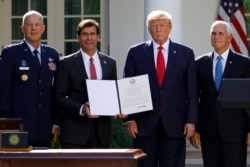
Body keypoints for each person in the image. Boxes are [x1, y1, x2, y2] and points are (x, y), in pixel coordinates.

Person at [122, 10, 198, 167]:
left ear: (170, 28)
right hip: (143, 124)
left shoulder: (185, 53)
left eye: (162, 25)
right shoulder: (135, 52)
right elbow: (127, 86)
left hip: (175, 123)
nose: (158, 29)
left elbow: (192, 90)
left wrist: (191, 121)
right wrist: (129, 119)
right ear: (148, 29)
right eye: (153, 25)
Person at [53, 19, 126, 148]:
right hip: (74, 133)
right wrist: (81, 108)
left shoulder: (110, 63)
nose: (89, 38)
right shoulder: (66, 63)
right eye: (84, 34)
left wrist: (120, 107)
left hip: (101, 133)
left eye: (92, 34)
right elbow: (58, 97)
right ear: (78, 37)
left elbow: (113, 93)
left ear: (98, 36)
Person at [190, 20, 250, 167]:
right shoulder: (199, 63)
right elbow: (193, 97)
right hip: (208, 132)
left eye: (221, 34)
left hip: (236, 133)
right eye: (213, 33)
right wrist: (196, 128)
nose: (216, 37)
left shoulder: (244, 63)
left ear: (229, 37)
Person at [0, 10, 60, 147]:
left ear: (43, 28)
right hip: (18, 127)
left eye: (37, 24)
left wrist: (56, 122)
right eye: (29, 25)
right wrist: (7, 124)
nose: (34, 28)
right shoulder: (11, 53)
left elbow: (56, 93)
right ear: (22, 28)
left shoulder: (52, 55)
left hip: (45, 127)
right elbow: (3, 92)